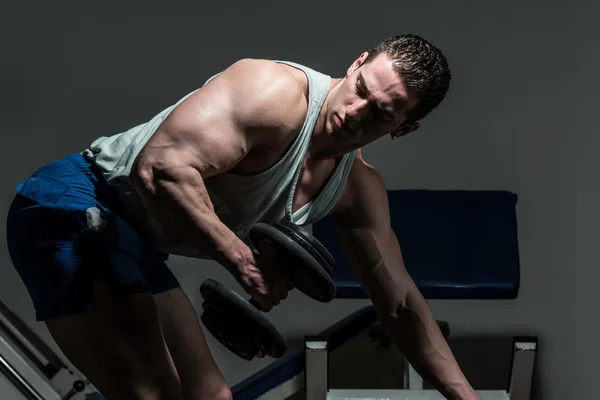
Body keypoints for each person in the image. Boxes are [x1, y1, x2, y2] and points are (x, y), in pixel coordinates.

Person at [6, 34, 479, 400]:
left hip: (131, 237)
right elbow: (161, 169)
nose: (355, 113)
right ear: (357, 64)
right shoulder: (272, 92)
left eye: (381, 114)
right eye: (361, 89)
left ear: (405, 128)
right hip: (73, 200)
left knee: (212, 395)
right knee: (152, 394)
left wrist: (463, 394)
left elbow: (399, 306)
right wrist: (242, 258)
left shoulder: (357, 189)